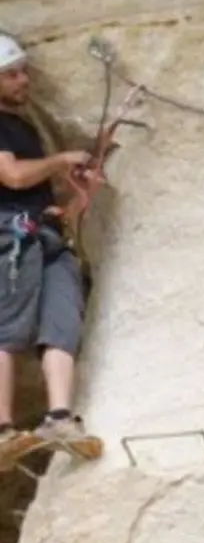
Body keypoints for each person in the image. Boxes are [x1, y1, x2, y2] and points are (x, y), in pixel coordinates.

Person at [0, 34, 104, 469]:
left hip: (46, 233)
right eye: (11, 74)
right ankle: (2, 430)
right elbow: (13, 177)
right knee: (7, 323)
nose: (24, 80)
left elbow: (33, 185)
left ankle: (59, 418)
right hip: (12, 232)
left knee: (62, 320)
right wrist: (61, 160)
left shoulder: (21, 126)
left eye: (23, 71)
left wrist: (76, 192)